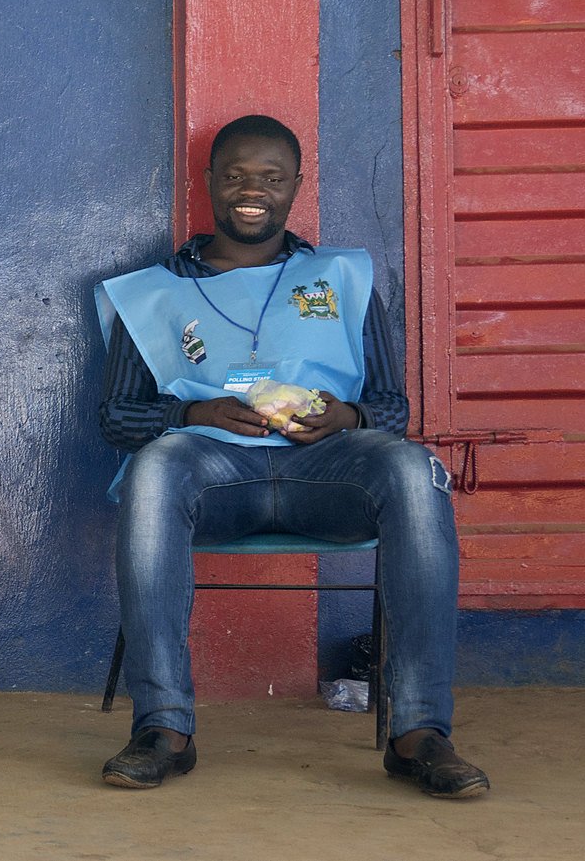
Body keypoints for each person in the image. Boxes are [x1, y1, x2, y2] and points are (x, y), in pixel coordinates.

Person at [95, 114, 488, 798]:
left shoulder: (341, 276)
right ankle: (164, 727)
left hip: (326, 473)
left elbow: (393, 407)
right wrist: (194, 412)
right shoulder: (152, 291)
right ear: (210, 182)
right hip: (211, 474)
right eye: (238, 175)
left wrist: (349, 415)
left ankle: (420, 730)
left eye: (272, 178)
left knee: (412, 466)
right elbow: (118, 418)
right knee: (157, 464)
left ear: (296, 187)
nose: (254, 190)